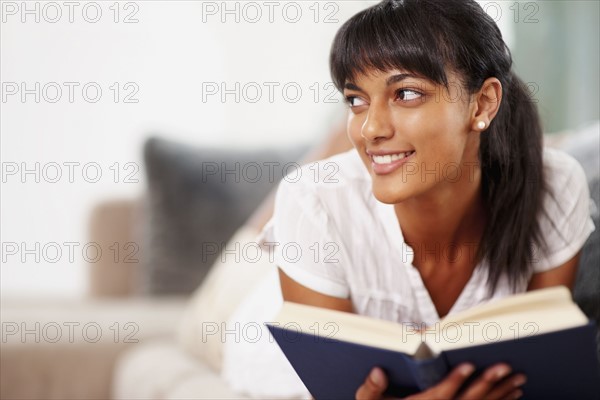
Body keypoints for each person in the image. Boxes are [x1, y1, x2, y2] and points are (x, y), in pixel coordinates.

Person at [259, 0, 596, 399]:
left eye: (405, 93)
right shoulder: (311, 200)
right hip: (267, 319)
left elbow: (544, 366)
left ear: (483, 102)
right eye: (355, 100)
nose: (370, 128)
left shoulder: (554, 185)